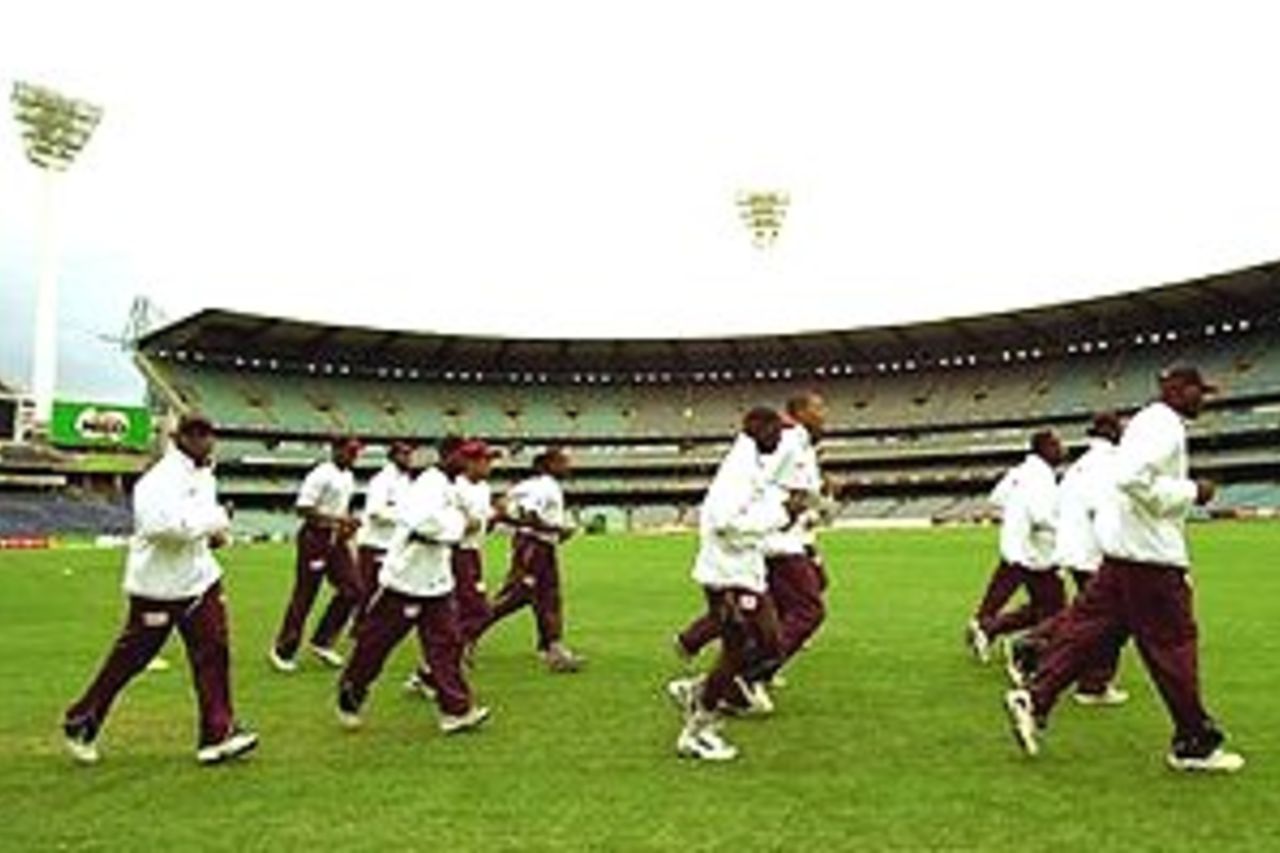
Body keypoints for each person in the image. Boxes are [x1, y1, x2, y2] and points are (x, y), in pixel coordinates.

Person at [1005, 366, 1245, 773]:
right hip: (1151, 559)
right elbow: (1132, 479)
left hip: (1124, 557)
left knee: (1090, 633)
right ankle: (1194, 742)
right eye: (1198, 392)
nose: (1203, 399)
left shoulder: (1143, 423)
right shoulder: (1165, 425)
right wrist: (1192, 492)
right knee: (1174, 647)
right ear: (1178, 390)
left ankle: (1036, 694)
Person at [62, 413, 258, 766]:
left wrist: (215, 536)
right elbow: (161, 528)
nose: (204, 441)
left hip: (200, 581)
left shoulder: (204, 475)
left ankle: (218, 734)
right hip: (159, 587)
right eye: (195, 434)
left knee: (214, 652)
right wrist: (215, 521)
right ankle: (81, 720)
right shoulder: (158, 480)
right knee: (132, 658)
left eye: (209, 433)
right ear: (177, 437)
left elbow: (197, 524)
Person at [675, 391, 836, 705]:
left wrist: (815, 501)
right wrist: (782, 515)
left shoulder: (801, 446)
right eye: (818, 408)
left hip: (782, 539)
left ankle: (717, 672)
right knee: (805, 611)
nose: (825, 414)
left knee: (766, 616)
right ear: (798, 412)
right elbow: (760, 487)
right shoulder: (786, 443)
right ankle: (740, 679)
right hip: (775, 543)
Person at [669, 407, 805, 761]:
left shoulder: (752, 464)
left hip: (744, 571)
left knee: (766, 643)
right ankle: (699, 727)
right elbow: (723, 521)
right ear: (760, 430)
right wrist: (781, 516)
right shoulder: (738, 470)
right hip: (728, 575)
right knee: (746, 646)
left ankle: (701, 692)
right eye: (778, 432)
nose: (781, 439)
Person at [337, 438, 490, 734]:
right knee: (375, 645)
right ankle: (351, 690)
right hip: (405, 579)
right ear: (451, 457)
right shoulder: (428, 484)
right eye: (470, 458)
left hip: (437, 580)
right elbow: (423, 522)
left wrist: (459, 523)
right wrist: (459, 525)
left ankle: (456, 710)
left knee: (447, 645)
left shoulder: (450, 486)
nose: (476, 464)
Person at [1008, 413, 1129, 706]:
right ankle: (1090, 683)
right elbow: (1104, 512)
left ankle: (1038, 641)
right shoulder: (1111, 464)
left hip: (1074, 550)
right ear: (1112, 432)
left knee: (1091, 614)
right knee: (1109, 621)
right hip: (1097, 553)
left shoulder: (1081, 465)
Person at [476, 447, 584, 672]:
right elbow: (527, 515)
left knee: (549, 598)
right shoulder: (546, 487)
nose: (568, 466)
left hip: (537, 545)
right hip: (534, 547)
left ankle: (552, 648)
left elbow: (502, 504)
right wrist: (557, 529)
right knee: (515, 596)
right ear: (548, 465)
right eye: (562, 462)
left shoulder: (527, 484)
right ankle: (466, 635)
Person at [965, 430, 1064, 657]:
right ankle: (1026, 649)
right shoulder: (1041, 477)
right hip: (1036, 552)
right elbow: (1041, 516)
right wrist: (1066, 528)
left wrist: (1015, 515)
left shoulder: (1020, 472)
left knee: (1041, 606)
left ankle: (988, 627)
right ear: (1045, 449)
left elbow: (997, 498)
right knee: (1053, 609)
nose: (1062, 450)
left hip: (1018, 548)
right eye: (1057, 445)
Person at [269, 436, 363, 672]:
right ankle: (282, 650)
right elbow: (302, 508)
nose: (354, 456)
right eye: (350, 451)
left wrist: (347, 524)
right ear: (336, 449)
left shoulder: (348, 476)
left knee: (353, 590)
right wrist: (336, 520)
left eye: (356, 452)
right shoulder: (321, 474)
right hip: (315, 538)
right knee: (305, 595)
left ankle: (322, 641)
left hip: (336, 539)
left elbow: (341, 508)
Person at [353, 440, 416, 628]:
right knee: (368, 588)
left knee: (388, 588)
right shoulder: (381, 480)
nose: (408, 458)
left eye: (410, 454)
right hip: (374, 542)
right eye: (404, 454)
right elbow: (375, 511)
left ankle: (371, 624)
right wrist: (403, 517)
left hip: (393, 543)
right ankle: (359, 624)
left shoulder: (407, 481)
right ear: (393, 456)